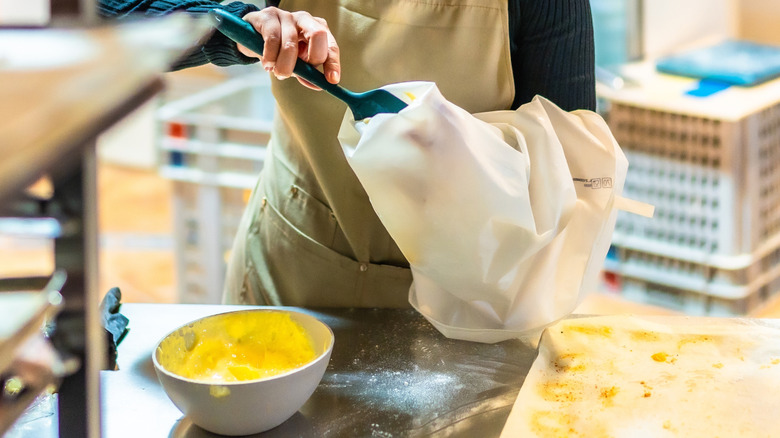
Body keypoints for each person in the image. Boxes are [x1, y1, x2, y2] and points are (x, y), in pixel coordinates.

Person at [100, 0, 596, 308]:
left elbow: (574, 164)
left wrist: (470, 157)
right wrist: (236, 24)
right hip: (296, 274)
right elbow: (104, 14)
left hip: (468, 296)